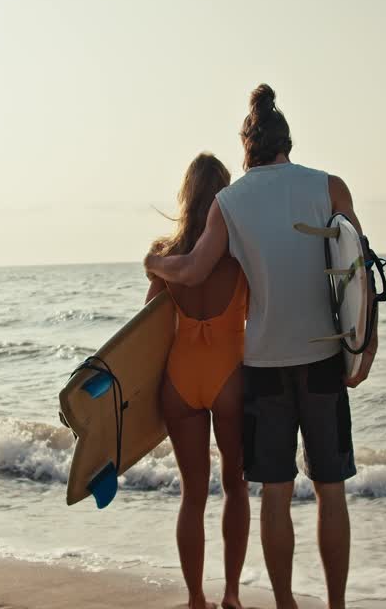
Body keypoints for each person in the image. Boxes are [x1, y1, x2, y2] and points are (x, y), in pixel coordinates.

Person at [145, 84, 376, 609]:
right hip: (322, 358)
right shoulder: (331, 187)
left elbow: (195, 268)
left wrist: (154, 263)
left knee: (274, 491)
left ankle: (285, 603)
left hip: (265, 366)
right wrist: (365, 349)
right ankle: (337, 605)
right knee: (330, 490)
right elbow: (360, 272)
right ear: (286, 142)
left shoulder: (231, 202)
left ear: (246, 147)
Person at [146, 152, 251, 609]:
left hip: (180, 382)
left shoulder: (166, 257)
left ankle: (194, 598)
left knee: (192, 494)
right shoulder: (240, 254)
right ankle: (231, 595)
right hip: (231, 379)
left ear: (186, 197)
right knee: (236, 486)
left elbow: (146, 329)